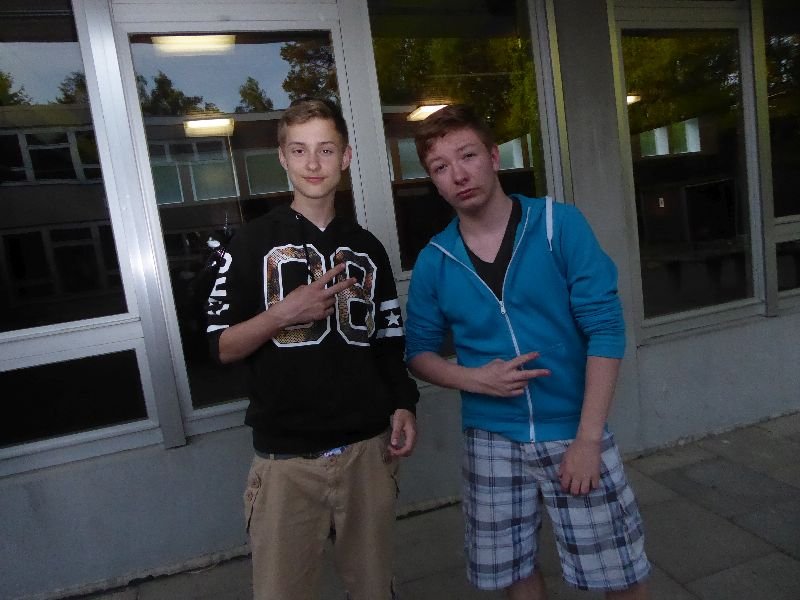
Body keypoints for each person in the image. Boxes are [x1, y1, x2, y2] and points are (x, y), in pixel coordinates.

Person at [404, 104, 650, 600]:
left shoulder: (558, 225)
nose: (458, 174)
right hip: (491, 437)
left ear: (494, 157)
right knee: (514, 571)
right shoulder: (435, 260)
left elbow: (605, 330)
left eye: (468, 155)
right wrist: (475, 379)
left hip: (572, 428)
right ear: (434, 182)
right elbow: (418, 352)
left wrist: (588, 439)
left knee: (617, 570)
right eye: (440, 167)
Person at [205, 97, 419, 600]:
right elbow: (221, 348)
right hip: (287, 460)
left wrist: (404, 402)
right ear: (282, 157)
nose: (313, 163)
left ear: (346, 157)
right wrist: (282, 314)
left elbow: (387, 342)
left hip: (365, 452)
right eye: (299, 150)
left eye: (326, 149)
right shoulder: (250, 244)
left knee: (373, 589)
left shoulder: (367, 247)